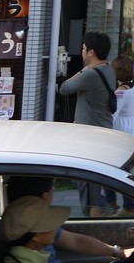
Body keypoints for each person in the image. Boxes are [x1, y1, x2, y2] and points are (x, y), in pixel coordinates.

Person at [57, 31, 115, 216]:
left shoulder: (91, 74)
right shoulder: (108, 69)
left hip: (90, 136)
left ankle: (94, 221)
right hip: (101, 131)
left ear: (91, 52)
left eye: (83, 48)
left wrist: (83, 70)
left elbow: (64, 88)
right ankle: (102, 211)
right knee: (92, 183)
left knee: (88, 185)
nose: (81, 51)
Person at [4, 176, 128, 261]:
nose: (55, 228)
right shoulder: (23, 257)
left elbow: (77, 241)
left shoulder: (34, 229)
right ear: (45, 196)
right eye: (52, 187)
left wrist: (117, 252)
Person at [100, 56, 134, 217]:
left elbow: (113, 114)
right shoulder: (131, 86)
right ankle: (120, 204)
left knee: (114, 171)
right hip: (130, 128)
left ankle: (119, 205)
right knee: (124, 171)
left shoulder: (121, 92)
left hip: (121, 132)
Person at [0, 196, 70, 263]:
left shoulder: (33, 253)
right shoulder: (22, 258)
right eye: (50, 225)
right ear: (36, 236)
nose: (56, 228)